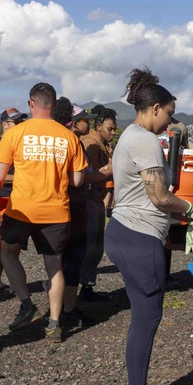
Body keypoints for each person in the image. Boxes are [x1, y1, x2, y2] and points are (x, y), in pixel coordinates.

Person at [106, 68, 193, 385]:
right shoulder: (144, 140)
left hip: (127, 232)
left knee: (146, 316)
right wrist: (189, 210)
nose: (169, 122)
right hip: (136, 235)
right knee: (146, 318)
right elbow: (159, 196)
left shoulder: (130, 136)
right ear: (155, 108)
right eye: (168, 114)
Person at [0, 83, 88, 343]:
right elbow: (77, 180)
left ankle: (27, 305)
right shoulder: (69, 137)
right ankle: (54, 324)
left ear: (31, 104)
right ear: (53, 105)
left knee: (8, 252)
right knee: (54, 265)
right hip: (56, 210)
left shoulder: (15, 133)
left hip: (21, 209)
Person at [53, 100, 98, 329]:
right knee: (73, 257)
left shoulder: (58, 141)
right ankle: (67, 309)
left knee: (60, 259)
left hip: (61, 204)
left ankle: (60, 309)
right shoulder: (72, 143)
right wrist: (105, 173)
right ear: (73, 122)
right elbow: (78, 178)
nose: (88, 124)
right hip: (73, 204)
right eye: (84, 120)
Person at [0, 107, 27, 293]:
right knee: (9, 245)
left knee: (5, 244)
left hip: (16, 197)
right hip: (4, 198)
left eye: (21, 122)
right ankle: (12, 285)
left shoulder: (19, 143)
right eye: (16, 123)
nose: (20, 126)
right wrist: (24, 178)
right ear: (5, 125)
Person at [79, 105, 117, 301]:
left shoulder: (101, 143)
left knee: (94, 247)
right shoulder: (91, 143)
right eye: (110, 128)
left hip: (96, 199)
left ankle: (85, 288)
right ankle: (82, 289)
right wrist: (112, 169)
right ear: (98, 125)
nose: (113, 132)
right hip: (89, 201)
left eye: (114, 129)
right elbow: (89, 175)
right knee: (89, 247)